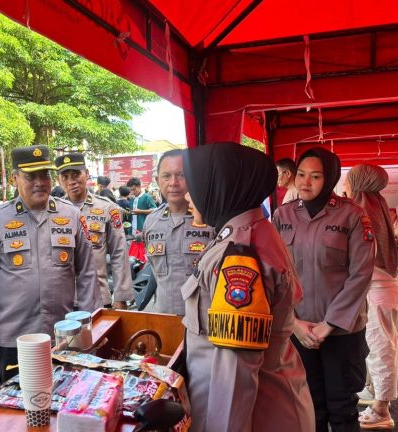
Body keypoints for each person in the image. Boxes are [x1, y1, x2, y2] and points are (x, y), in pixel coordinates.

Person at [181, 143, 314, 432]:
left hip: (258, 416)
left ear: (222, 187)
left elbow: (235, 375)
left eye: (195, 186)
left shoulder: (241, 255)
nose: (187, 196)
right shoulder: (248, 232)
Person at [0, 145, 97, 393]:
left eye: (45, 175)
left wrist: (88, 325)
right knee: (10, 407)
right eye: (31, 176)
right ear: (15, 178)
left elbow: (87, 274)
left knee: (66, 399)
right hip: (13, 338)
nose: (40, 182)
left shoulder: (71, 215)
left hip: (64, 335)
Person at [273, 147, 375, 432]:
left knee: (342, 407)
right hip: (300, 331)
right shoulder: (282, 216)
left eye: (315, 176)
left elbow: (361, 274)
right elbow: (276, 274)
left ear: (329, 178)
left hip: (342, 331)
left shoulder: (352, 215)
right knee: (307, 406)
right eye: (301, 175)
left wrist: (329, 324)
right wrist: (294, 323)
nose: (305, 182)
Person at [343, 164, 398, 430]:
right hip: (387, 290)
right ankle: (375, 393)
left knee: (381, 351)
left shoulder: (361, 212)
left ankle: (382, 409)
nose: (344, 186)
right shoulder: (377, 204)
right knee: (380, 349)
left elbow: (359, 258)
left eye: (348, 181)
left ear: (357, 184)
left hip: (378, 292)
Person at [55, 153, 133, 309]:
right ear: (59, 180)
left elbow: (119, 253)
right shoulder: (54, 211)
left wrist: (121, 296)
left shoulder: (106, 208)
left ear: (87, 174)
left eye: (76, 174)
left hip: (97, 299)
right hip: (62, 302)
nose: (71, 181)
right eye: (65, 177)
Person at [143, 149, 214, 316]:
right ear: (157, 181)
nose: (173, 183)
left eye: (181, 175)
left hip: (203, 324)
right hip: (164, 317)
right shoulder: (151, 222)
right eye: (166, 176)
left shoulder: (210, 220)